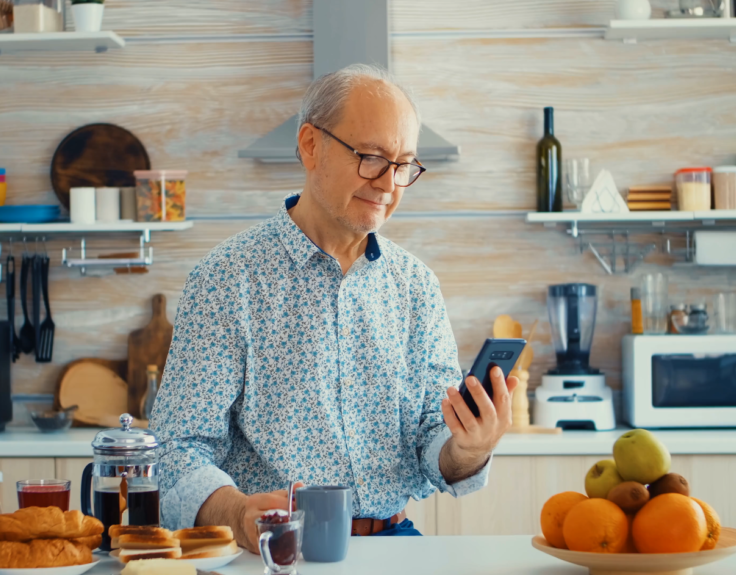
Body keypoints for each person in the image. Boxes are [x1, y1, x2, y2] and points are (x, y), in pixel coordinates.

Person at [151, 64, 518, 551]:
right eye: (371, 157)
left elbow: (437, 444)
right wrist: (236, 511)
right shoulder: (226, 280)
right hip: (277, 550)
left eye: (404, 165)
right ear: (310, 145)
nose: (389, 183)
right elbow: (177, 450)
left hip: (395, 544)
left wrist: (469, 448)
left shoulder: (417, 288)